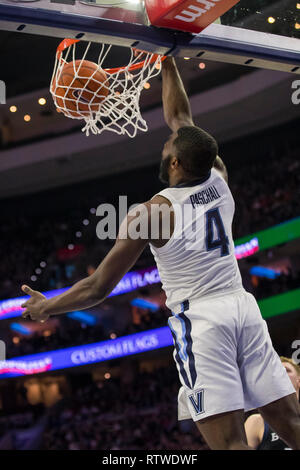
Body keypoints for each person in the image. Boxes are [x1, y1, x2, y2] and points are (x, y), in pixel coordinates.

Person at [20, 57, 300, 450]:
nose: (165, 140)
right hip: (243, 307)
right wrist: (166, 61)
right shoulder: (218, 178)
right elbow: (181, 118)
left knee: (230, 442)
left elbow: (99, 287)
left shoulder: (152, 213)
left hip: (202, 321)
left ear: (175, 162)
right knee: (290, 420)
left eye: (167, 144)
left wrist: (47, 307)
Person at [245, 357, 300, 450]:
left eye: (287, 370)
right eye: (277, 369)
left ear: (299, 381)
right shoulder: (256, 422)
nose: (281, 372)